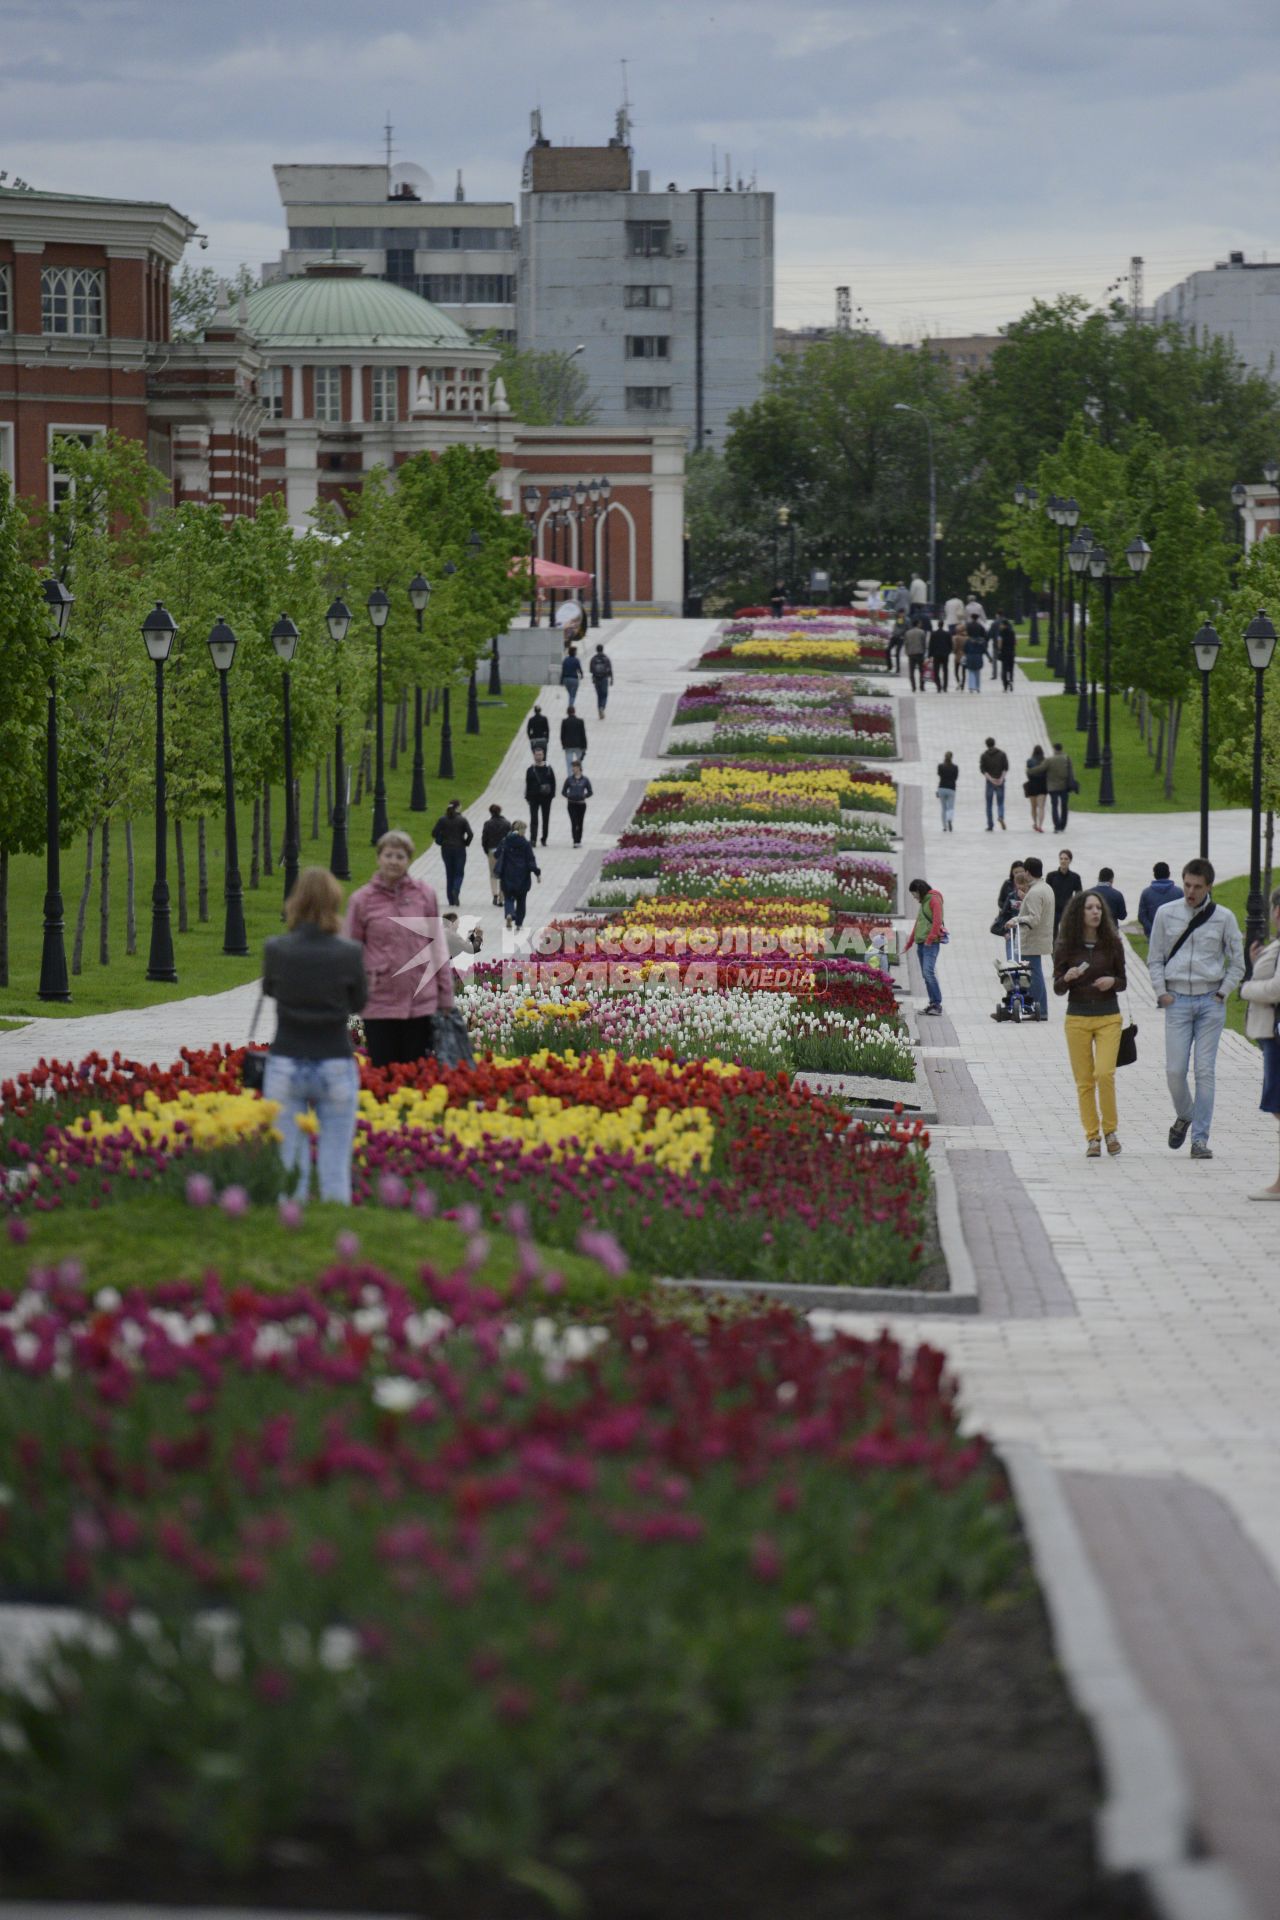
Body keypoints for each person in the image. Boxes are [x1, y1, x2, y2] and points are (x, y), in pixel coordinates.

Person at [262, 867, 367, 1206]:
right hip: (333, 1058)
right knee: (335, 1167)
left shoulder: (276, 948)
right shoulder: (349, 952)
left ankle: (292, 1232)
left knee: (289, 1166)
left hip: (287, 1057)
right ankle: (335, 1241)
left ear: (295, 901)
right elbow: (359, 1002)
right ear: (335, 901)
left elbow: (270, 989)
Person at [1148, 857, 1245, 1159]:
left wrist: (1223, 993)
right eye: (1187, 885)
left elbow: (1238, 962)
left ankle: (1200, 1139)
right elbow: (1154, 958)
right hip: (1177, 1000)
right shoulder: (1166, 913)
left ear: (1209, 887)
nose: (1191, 892)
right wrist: (1161, 992)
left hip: (1209, 1002)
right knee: (1175, 1070)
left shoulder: (1224, 917)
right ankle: (1185, 1114)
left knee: (1204, 1071)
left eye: (1197, 887)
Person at [346, 830, 454, 1069]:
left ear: (409, 860)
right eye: (389, 855)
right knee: (384, 1072)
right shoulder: (362, 900)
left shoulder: (424, 895)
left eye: (400, 856)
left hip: (420, 1001)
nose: (394, 861)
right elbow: (350, 953)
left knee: (417, 1072)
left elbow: (437, 947)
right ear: (379, 858)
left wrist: (446, 995)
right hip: (379, 1001)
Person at [1054, 890, 1127, 1158]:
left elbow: (1124, 980)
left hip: (1109, 1016)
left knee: (1104, 1073)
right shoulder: (1066, 945)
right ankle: (1092, 1137)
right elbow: (1058, 988)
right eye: (1089, 908)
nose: (1095, 912)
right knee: (1084, 1081)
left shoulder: (1113, 943)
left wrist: (1112, 982)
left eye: (1098, 908)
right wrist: (1068, 977)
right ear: (1079, 913)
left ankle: (1110, 1131)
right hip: (1077, 1018)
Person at [1241, 885, 1280, 1198]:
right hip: (1271, 1034)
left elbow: (1275, 989)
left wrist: (1247, 988)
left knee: (1278, 1104)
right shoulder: (1276, 945)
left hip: (1277, 1035)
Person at [1014, 855, 1055, 1020]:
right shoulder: (1046, 888)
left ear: (1028, 872)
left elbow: (1034, 918)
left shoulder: (1035, 892)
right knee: (1036, 972)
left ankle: (1035, 1007)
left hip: (1032, 939)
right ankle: (1042, 1009)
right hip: (1042, 937)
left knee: (1033, 974)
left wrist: (1016, 919)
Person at [904, 876, 946, 1016]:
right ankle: (932, 1003)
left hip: (930, 944)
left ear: (919, 890)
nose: (914, 897)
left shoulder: (934, 900)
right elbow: (918, 923)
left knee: (928, 972)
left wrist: (930, 939)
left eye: (914, 894)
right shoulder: (924, 902)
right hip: (921, 943)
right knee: (925, 974)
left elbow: (937, 921)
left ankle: (937, 1004)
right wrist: (909, 943)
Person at [494, 818, 541, 930]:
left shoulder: (505, 841)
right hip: (522, 877)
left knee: (509, 898)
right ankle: (519, 924)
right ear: (521, 830)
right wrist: (537, 873)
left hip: (507, 875)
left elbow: (496, 855)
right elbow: (530, 860)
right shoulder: (525, 844)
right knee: (521, 901)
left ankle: (509, 914)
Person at [431, 798, 473, 907]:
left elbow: (434, 833)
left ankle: (450, 899)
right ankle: (456, 889)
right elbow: (470, 834)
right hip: (459, 848)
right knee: (459, 873)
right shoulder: (462, 820)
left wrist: (441, 839)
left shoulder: (442, 819)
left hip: (446, 849)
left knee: (449, 873)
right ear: (458, 807)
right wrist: (466, 843)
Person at [1138, 861, 1181, 937]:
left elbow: (1142, 916)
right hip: (1175, 933)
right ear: (1169, 874)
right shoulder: (1179, 892)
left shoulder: (1146, 893)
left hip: (1153, 934)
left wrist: (1151, 929)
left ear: (1154, 874)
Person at [524, 747, 557, 848]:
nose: (538, 757)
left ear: (543, 755)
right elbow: (527, 784)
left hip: (546, 798)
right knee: (534, 819)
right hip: (533, 798)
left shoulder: (549, 768)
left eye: (540, 755)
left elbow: (553, 783)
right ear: (534, 755)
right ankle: (533, 839)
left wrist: (551, 796)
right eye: (537, 755)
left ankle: (544, 838)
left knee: (545, 818)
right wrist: (527, 797)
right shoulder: (530, 770)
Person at [480, 804, 511, 906]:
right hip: (504, 852)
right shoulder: (506, 823)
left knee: (493, 874)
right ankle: (502, 898)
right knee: (503, 875)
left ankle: (495, 894)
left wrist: (486, 850)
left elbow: (484, 839)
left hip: (492, 850)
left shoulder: (487, 824)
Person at [1042, 740, 1075, 832]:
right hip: (1064, 786)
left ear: (1054, 749)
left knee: (1054, 806)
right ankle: (1063, 825)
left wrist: (1030, 771)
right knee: (1064, 806)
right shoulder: (1067, 758)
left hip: (1053, 787)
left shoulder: (1050, 760)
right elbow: (1071, 772)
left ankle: (1056, 825)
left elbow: (1041, 769)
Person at [1048, 849, 1082, 931]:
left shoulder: (1075, 877)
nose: (1063, 861)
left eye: (1066, 859)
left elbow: (1079, 895)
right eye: (1061, 858)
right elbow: (1047, 893)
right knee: (1053, 935)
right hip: (1053, 911)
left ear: (1070, 860)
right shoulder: (1051, 876)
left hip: (1068, 911)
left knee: (1068, 933)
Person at [978, 737, 1009, 831]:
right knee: (1000, 803)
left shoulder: (984, 755)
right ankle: (1000, 816)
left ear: (986, 745)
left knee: (989, 805)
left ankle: (990, 825)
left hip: (989, 783)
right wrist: (1001, 779)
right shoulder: (1002, 754)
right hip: (1000, 782)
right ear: (994, 743)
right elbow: (1006, 767)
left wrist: (991, 779)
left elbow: (982, 769)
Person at [562, 758, 594, 846]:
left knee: (580, 822)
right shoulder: (569, 779)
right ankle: (575, 840)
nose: (573, 769)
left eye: (575, 767)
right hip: (571, 804)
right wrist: (568, 795)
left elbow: (590, 792)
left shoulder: (585, 780)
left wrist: (584, 796)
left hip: (581, 804)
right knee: (574, 822)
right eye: (573, 767)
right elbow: (563, 791)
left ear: (579, 768)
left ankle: (579, 840)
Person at [996, 861, 1029, 930]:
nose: (1019, 874)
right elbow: (1000, 901)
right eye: (1016, 872)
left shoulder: (1029, 884)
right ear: (1012, 873)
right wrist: (1010, 907)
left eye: (1021, 871)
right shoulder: (1007, 884)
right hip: (1011, 918)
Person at [1024, 744, 1048, 834]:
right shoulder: (1045, 761)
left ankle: (1035, 823)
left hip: (1032, 784)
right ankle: (1040, 825)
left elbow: (1027, 773)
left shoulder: (1029, 761)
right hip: (1042, 785)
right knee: (1041, 807)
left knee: (1033, 807)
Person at [560, 705, 587, 778]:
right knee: (579, 762)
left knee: (569, 763)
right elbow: (583, 734)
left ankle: (570, 778)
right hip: (578, 745)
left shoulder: (565, 722)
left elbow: (562, 735)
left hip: (568, 746)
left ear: (567, 712)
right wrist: (584, 746)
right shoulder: (580, 721)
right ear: (574, 712)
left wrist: (563, 744)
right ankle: (579, 775)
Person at [589, 644, 614, 719]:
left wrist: (593, 677)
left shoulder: (593, 659)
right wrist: (611, 679)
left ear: (596, 650)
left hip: (596, 679)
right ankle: (602, 707)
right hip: (604, 678)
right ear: (602, 649)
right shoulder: (606, 658)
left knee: (599, 695)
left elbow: (591, 670)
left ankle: (599, 709)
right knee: (605, 695)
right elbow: (609, 669)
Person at [993, 613, 1017, 691]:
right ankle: (1010, 680)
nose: (1000, 626)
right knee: (1011, 668)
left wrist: (999, 650)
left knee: (1004, 669)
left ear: (1004, 625)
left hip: (1004, 653)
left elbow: (1000, 642)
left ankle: (1005, 685)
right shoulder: (1012, 632)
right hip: (1011, 652)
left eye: (1001, 625)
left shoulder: (1001, 633)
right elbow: (1016, 642)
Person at [962, 619, 987, 693]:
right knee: (977, 672)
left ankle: (971, 687)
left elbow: (965, 649)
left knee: (970, 672)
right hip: (978, 657)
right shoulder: (982, 641)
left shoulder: (968, 640)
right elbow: (984, 650)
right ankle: (977, 687)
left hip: (970, 657)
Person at [936, 751, 958, 831]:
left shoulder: (940, 766)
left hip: (941, 787)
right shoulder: (955, 767)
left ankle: (944, 827)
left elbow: (939, 774)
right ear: (952, 757)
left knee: (943, 808)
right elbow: (955, 778)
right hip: (951, 788)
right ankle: (949, 820)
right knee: (950, 807)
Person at [928, 619, 952, 691]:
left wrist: (929, 655)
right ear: (943, 625)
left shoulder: (934, 634)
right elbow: (950, 644)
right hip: (945, 655)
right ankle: (945, 687)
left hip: (936, 655)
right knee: (945, 670)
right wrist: (948, 652)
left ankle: (938, 686)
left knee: (936, 671)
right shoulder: (947, 634)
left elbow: (931, 645)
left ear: (938, 625)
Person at [904, 619, 928, 690]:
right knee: (921, 671)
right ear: (917, 624)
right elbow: (924, 643)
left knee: (911, 671)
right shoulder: (922, 632)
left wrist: (907, 651)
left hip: (911, 653)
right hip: (920, 653)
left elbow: (906, 643)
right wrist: (924, 652)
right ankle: (922, 686)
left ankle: (913, 687)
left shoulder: (907, 633)